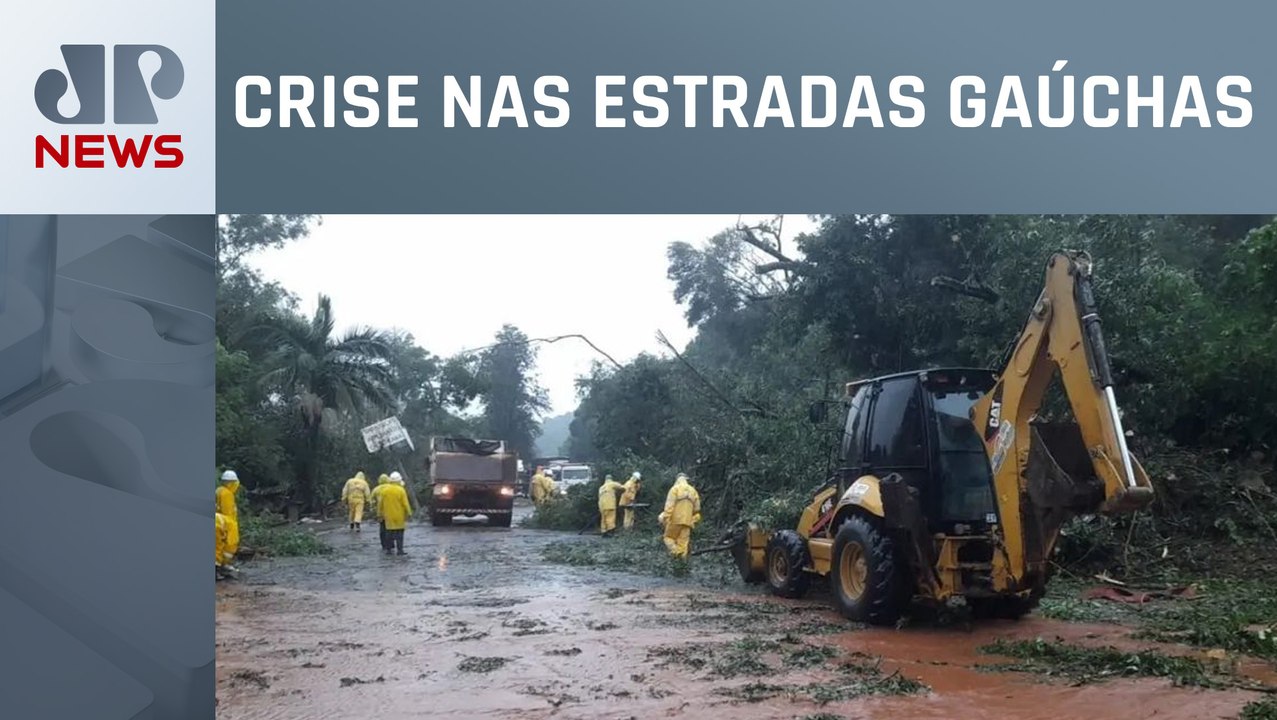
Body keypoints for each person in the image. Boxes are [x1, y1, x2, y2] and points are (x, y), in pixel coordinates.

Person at [659, 473, 701, 559]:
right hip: (688, 521)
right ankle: (681, 561)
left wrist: (665, 519)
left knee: (668, 538)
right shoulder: (693, 491)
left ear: (677, 480)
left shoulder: (675, 489)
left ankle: (676, 552)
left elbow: (669, 506)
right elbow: (697, 508)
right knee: (683, 543)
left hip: (675, 520)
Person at [377, 472, 413, 555]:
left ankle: (389, 550)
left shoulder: (384, 491)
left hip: (388, 516)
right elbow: (405, 503)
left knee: (389, 533)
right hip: (399, 516)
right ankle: (400, 550)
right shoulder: (401, 490)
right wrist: (409, 513)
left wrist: (379, 514)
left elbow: (380, 504)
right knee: (400, 533)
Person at [216, 470, 242, 561]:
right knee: (229, 544)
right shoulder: (227, 494)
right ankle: (222, 563)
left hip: (219, 523)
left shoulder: (219, 490)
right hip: (224, 524)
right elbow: (227, 512)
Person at [371, 473, 392, 551]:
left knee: (382, 528)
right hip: (391, 511)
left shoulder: (376, 489)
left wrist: (373, 509)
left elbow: (372, 500)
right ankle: (391, 544)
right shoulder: (391, 487)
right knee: (391, 528)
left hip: (381, 512)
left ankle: (384, 545)